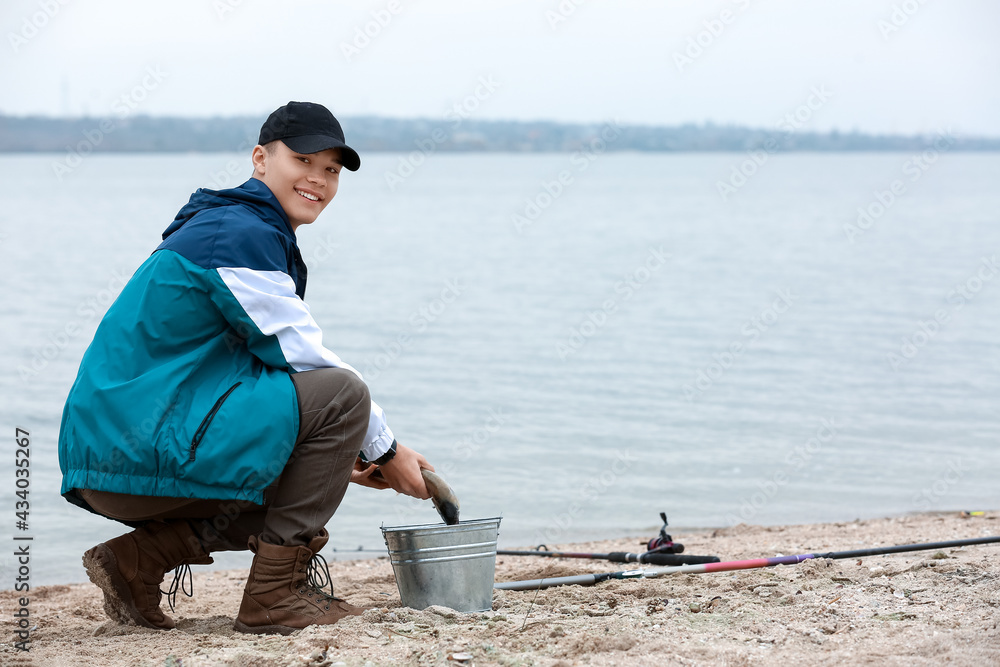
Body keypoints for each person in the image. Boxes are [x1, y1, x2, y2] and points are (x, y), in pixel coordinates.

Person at [57, 101, 434, 636]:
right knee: (344, 394)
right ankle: (275, 600)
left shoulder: (240, 226)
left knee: (310, 471)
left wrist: (335, 454)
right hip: (135, 449)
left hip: (125, 453)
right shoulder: (235, 234)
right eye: (303, 159)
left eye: (331, 169)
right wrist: (386, 450)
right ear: (261, 158)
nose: (318, 179)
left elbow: (255, 374)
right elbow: (303, 357)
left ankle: (138, 561)